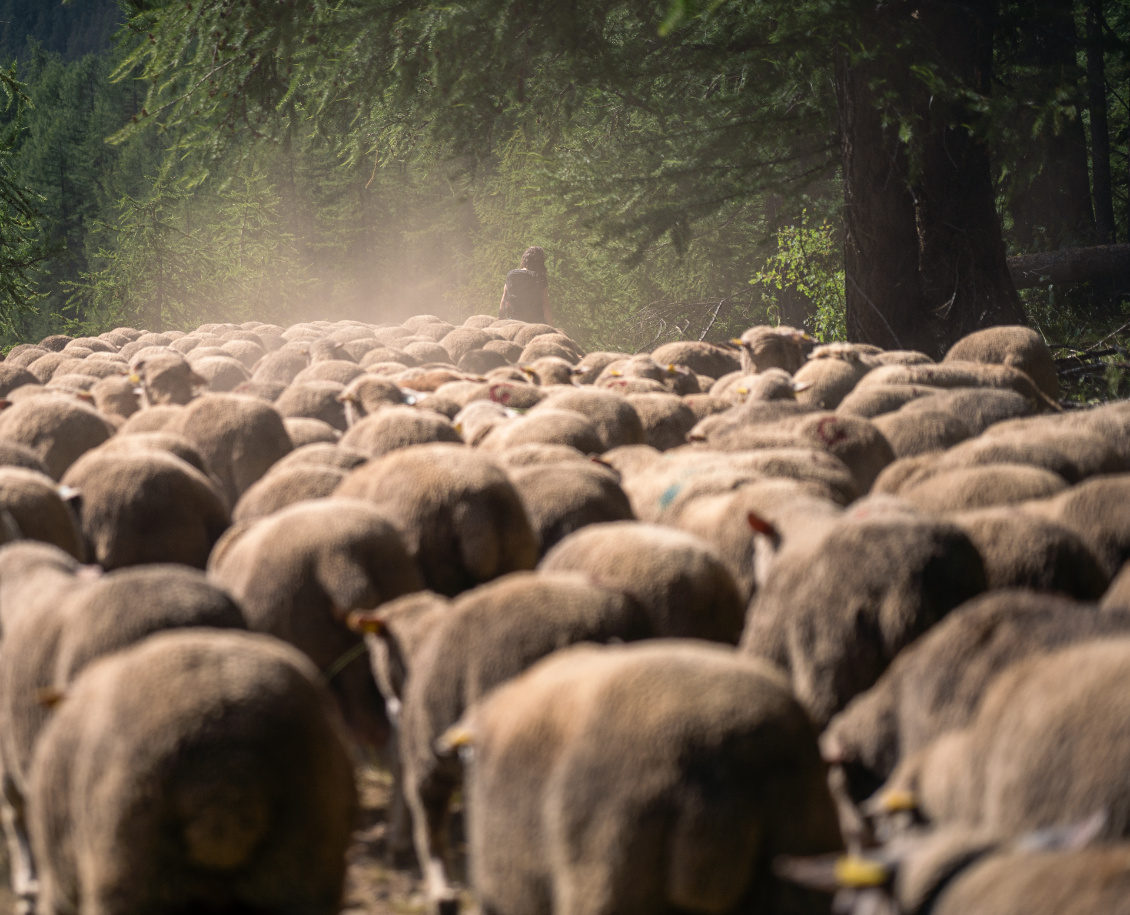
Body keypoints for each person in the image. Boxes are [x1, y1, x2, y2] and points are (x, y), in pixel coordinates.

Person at [499, 246, 553, 325]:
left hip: (514, 320)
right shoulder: (540, 277)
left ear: (524, 260)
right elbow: (545, 304)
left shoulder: (511, 274)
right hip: (535, 322)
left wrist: (500, 318)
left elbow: (504, 298)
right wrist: (551, 325)